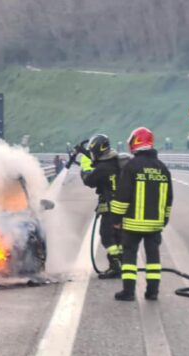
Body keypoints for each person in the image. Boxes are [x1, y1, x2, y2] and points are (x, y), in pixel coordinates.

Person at [110, 127, 173, 301]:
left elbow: (122, 196)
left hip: (132, 224)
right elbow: (169, 198)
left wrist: (116, 219)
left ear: (135, 142)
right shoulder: (162, 168)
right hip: (155, 225)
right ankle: (152, 292)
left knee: (129, 256)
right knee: (153, 259)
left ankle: (128, 292)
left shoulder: (132, 166)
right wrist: (164, 219)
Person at [74, 134, 123, 278]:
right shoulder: (115, 161)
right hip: (122, 206)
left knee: (107, 237)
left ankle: (115, 265)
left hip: (110, 207)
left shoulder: (102, 168)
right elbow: (98, 162)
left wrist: (84, 170)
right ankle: (122, 263)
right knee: (119, 237)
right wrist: (84, 152)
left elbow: (90, 180)